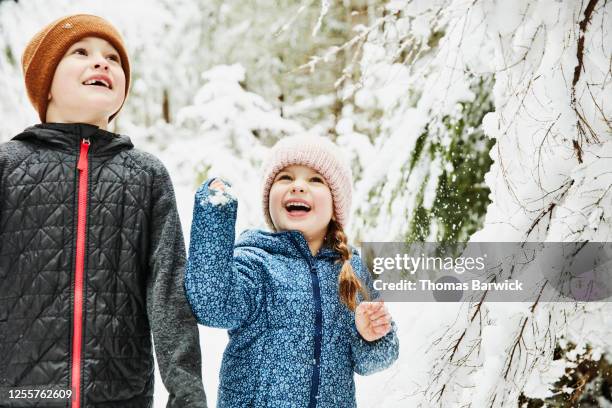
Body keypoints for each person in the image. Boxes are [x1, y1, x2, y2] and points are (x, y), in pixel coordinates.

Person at [0, 14, 207, 408]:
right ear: (45, 83)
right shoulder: (7, 166)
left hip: (119, 396)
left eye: (113, 58)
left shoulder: (146, 175)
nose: (102, 63)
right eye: (81, 52)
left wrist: (188, 394)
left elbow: (168, 289)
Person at [185, 134, 399, 407]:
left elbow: (374, 361)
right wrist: (215, 216)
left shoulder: (350, 269)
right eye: (285, 177)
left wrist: (371, 336)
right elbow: (212, 305)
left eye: (315, 179)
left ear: (335, 206)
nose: (298, 186)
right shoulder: (255, 262)